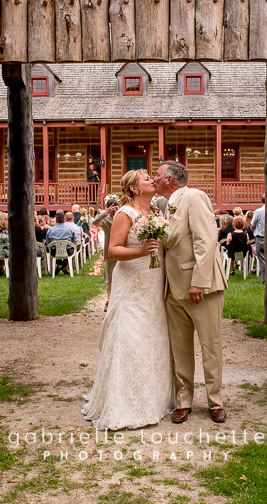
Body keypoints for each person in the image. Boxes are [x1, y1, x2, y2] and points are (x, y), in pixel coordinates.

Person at [82, 170, 174, 430]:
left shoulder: (155, 212)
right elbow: (113, 250)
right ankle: (124, 402)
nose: (152, 180)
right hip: (131, 284)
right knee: (130, 337)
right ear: (134, 188)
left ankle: (153, 398)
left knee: (152, 337)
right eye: (146, 178)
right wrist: (141, 251)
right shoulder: (125, 213)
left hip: (152, 283)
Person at [154, 161, 228, 424]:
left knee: (210, 346)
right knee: (179, 349)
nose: (153, 179)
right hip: (173, 288)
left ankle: (215, 401)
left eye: (157, 175)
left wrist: (199, 281)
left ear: (169, 179)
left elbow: (206, 240)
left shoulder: (195, 196)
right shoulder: (164, 204)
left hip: (201, 287)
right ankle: (183, 401)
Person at [92, 197, 120, 311]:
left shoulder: (121, 217)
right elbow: (95, 222)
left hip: (121, 250)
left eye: (115, 208)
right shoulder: (105, 220)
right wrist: (106, 212)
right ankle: (109, 299)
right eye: (112, 208)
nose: (114, 210)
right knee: (109, 278)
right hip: (109, 252)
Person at [45, 210, 77, 274]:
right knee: (69, 249)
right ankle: (64, 266)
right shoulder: (70, 229)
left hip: (54, 251)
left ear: (56, 220)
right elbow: (74, 241)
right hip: (68, 251)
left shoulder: (50, 230)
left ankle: (59, 265)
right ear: (64, 220)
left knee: (53, 250)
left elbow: (48, 243)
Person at [252, 196, 266, 283]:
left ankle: (264, 279)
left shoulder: (258, 211)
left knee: (262, 259)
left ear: (261, 201)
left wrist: (253, 231)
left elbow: (253, 225)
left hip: (261, 237)